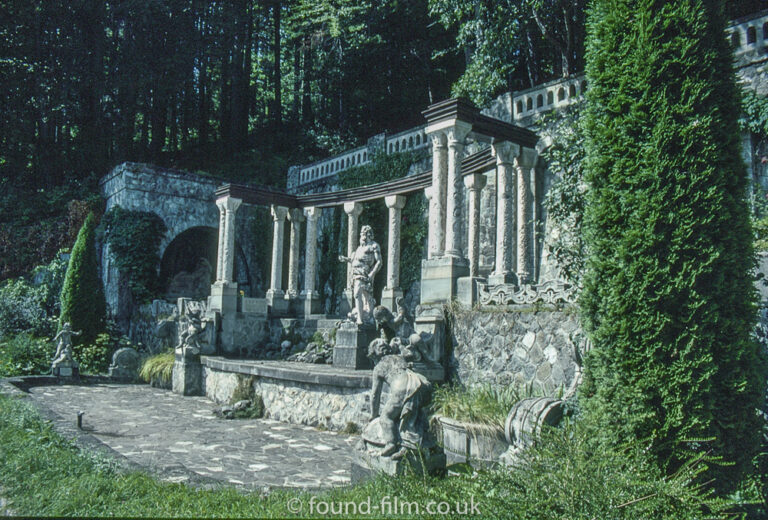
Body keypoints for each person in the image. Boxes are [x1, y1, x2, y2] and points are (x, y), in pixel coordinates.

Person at [364, 338, 432, 459]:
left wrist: (373, 415)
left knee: (386, 417)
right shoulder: (398, 356)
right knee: (413, 412)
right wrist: (400, 345)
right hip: (421, 382)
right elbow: (410, 354)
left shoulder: (378, 367)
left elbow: (375, 395)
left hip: (402, 387)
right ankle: (426, 443)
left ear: (373, 354)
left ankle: (391, 444)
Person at [339, 225, 382, 325]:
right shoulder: (359, 248)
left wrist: (372, 273)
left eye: (363, 233)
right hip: (354, 273)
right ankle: (362, 314)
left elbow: (379, 262)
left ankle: (360, 318)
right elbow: (354, 259)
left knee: (357, 293)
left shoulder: (373, 246)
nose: (361, 236)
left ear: (368, 234)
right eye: (361, 234)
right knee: (363, 296)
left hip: (364, 272)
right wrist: (345, 259)